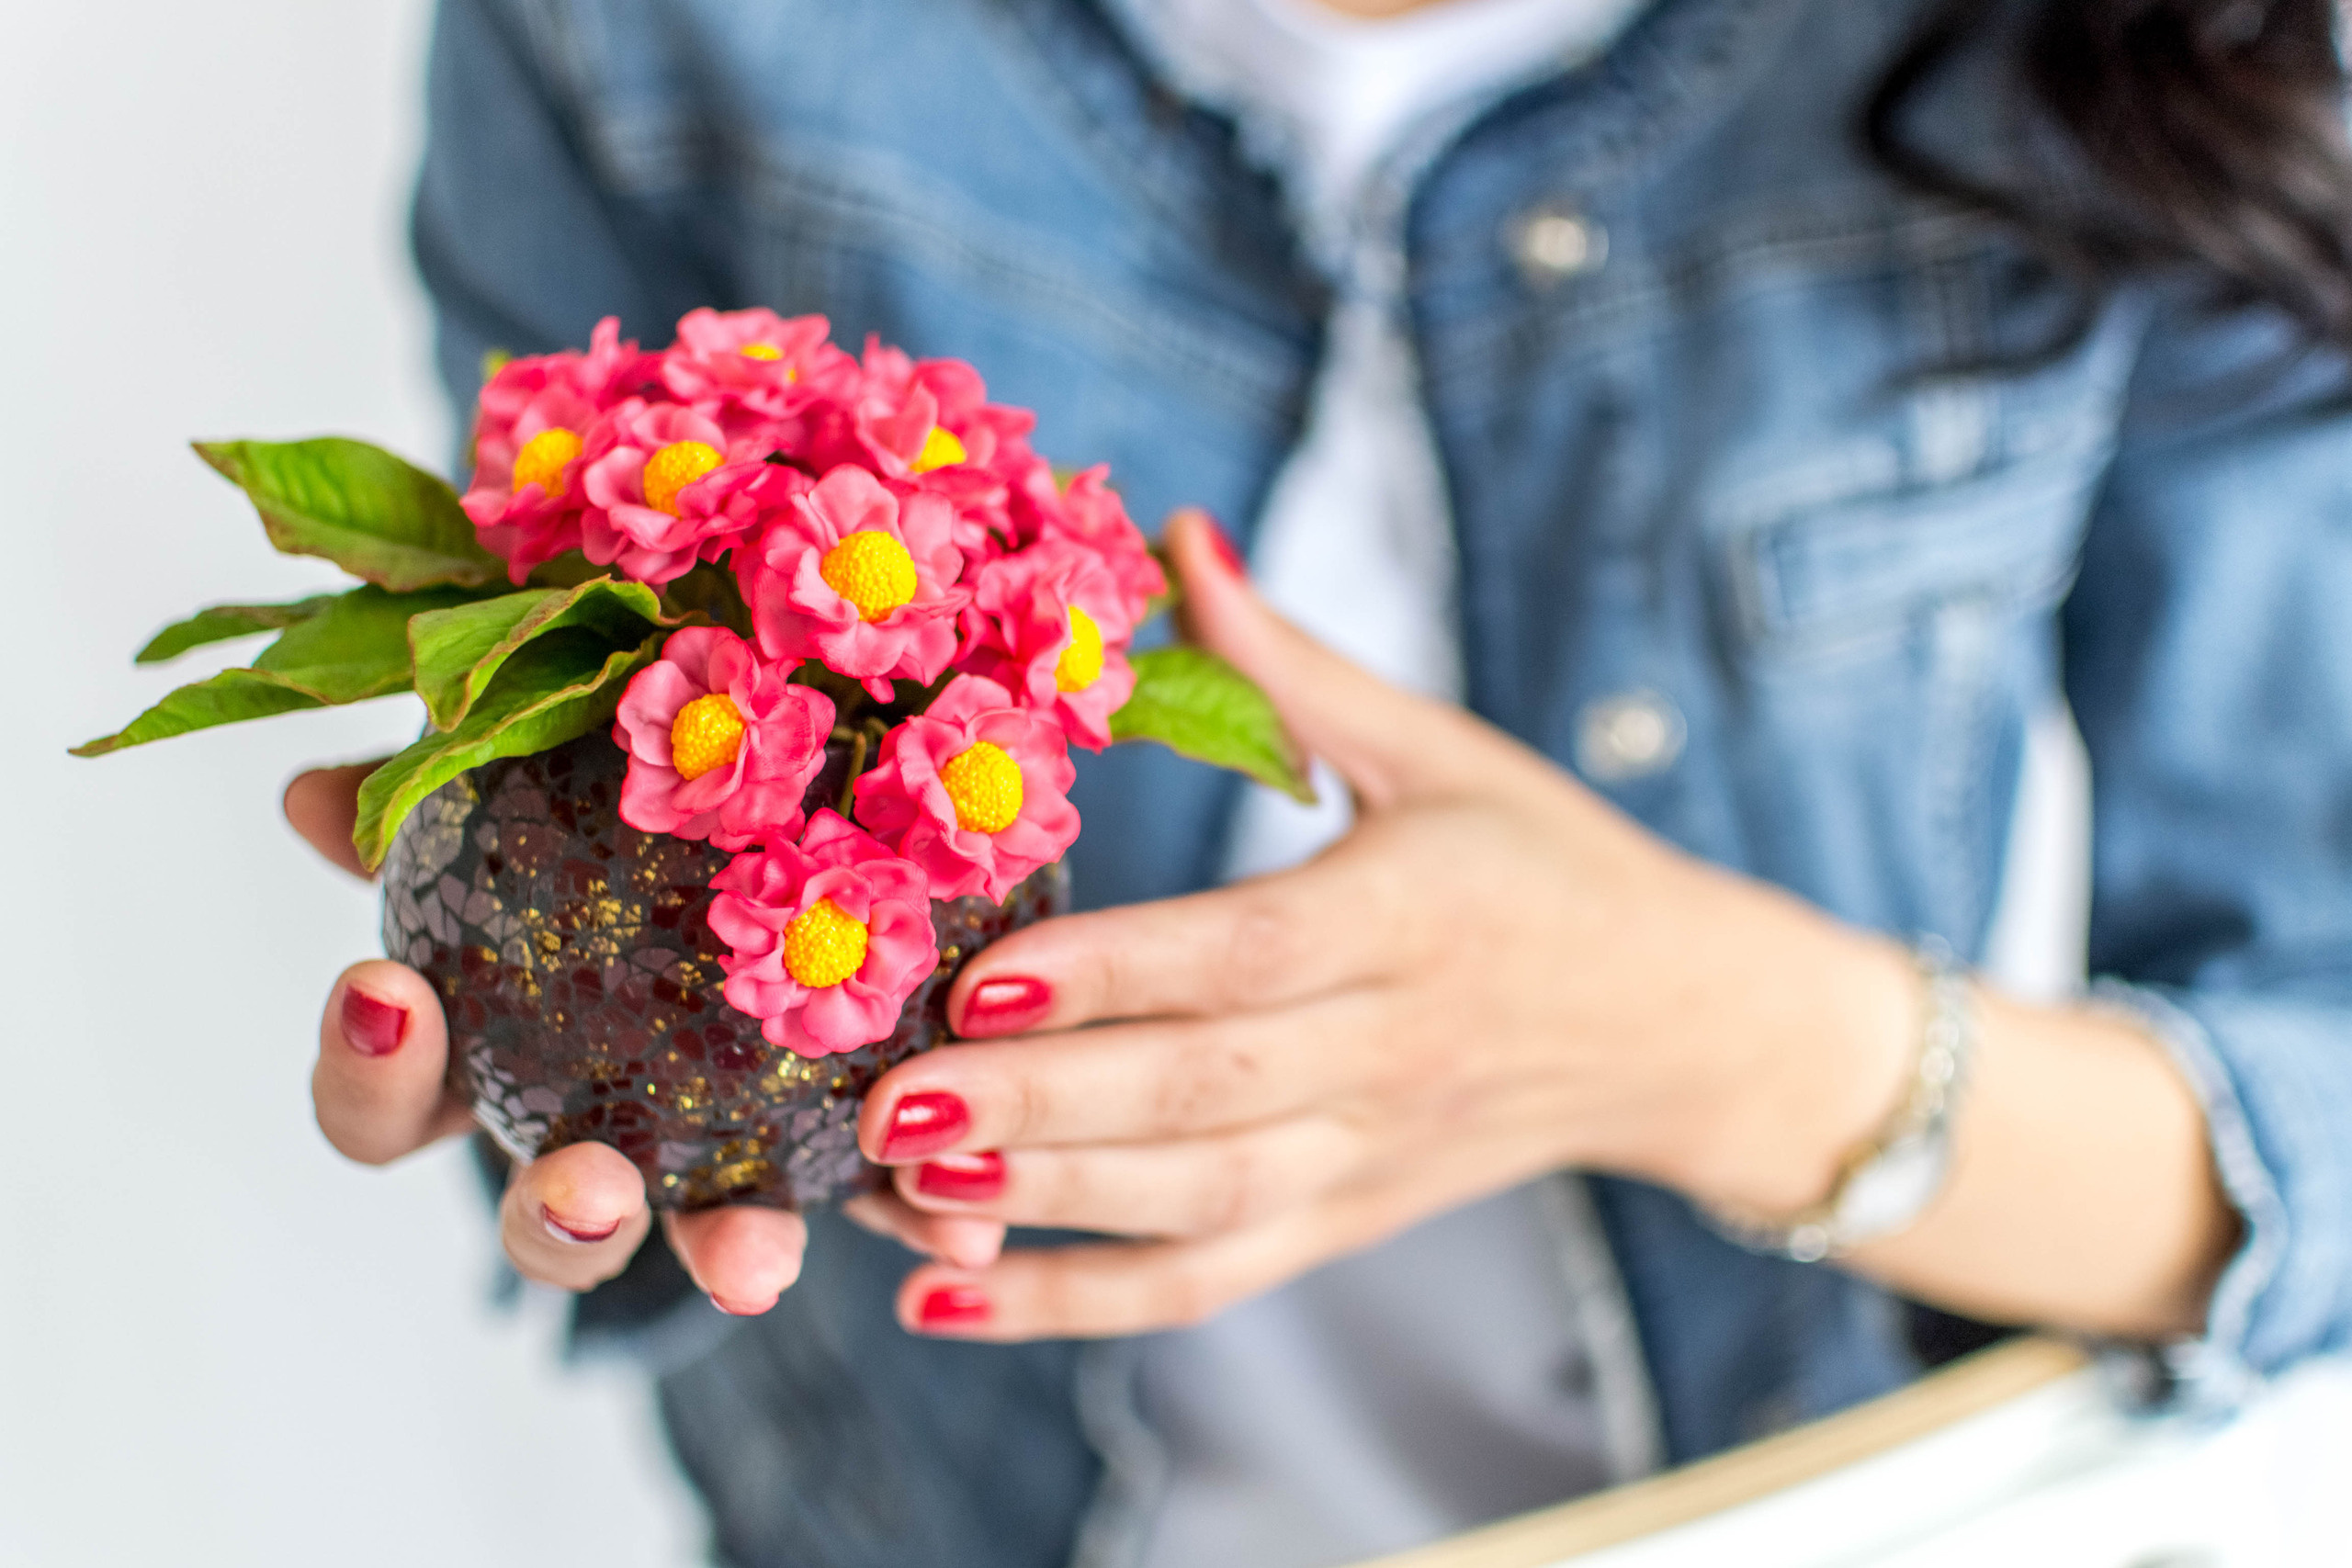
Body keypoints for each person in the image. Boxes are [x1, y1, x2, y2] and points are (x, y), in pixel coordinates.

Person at [283, 0, 2352, 1563]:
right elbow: (576, 775)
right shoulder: (635, 33)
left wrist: (1710, 1041)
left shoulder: (2125, 52)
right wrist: (602, 1087)